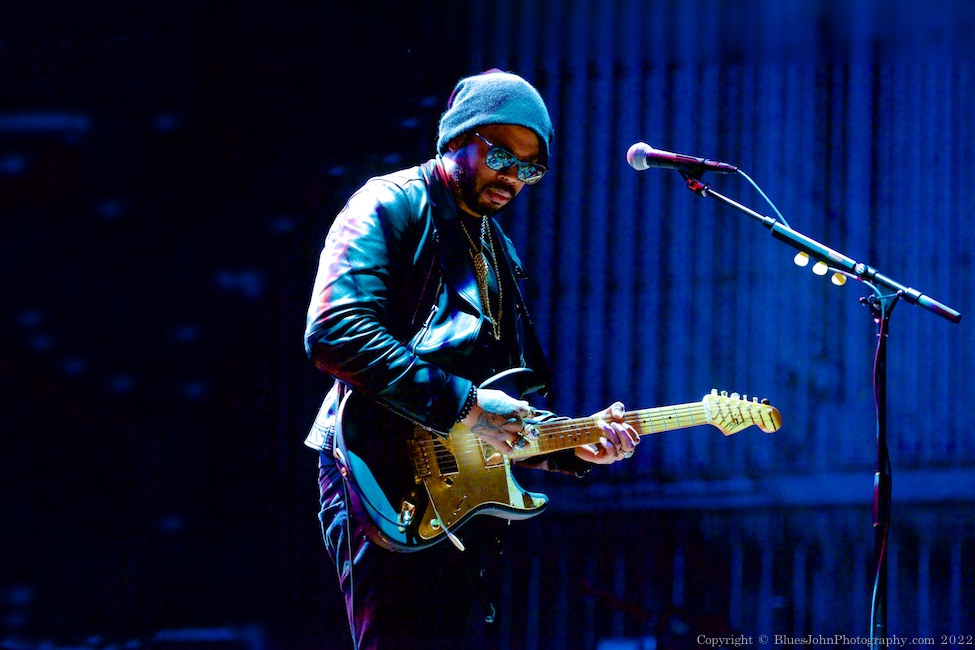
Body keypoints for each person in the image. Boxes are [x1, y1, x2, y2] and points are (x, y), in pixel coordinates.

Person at [303, 69, 641, 650]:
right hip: (378, 471)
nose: (513, 178)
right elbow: (335, 331)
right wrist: (468, 407)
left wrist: (572, 444)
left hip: (456, 496)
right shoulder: (389, 202)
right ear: (456, 138)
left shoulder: (494, 246)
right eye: (501, 156)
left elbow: (491, 394)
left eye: (530, 168)